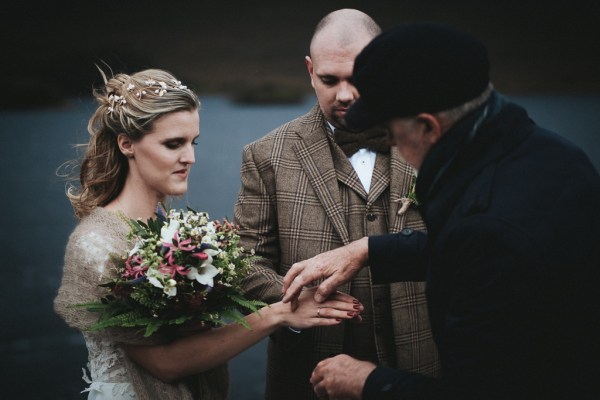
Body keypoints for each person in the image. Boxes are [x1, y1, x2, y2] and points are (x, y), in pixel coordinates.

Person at [282, 22, 600, 399]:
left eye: (392, 134)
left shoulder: (489, 228)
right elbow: (476, 256)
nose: (394, 146)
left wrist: (369, 382)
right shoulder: (555, 154)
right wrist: (367, 249)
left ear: (428, 127)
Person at [53, 68, 363, 400]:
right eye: (174, 144)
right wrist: (280, 313)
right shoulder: (96, 244)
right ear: (127, 144)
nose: (190, 158)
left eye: (192, 142)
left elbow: (194, 340)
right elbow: (164, 364)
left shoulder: (172, 229)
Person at [234, 9, 439, 400]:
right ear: (310, 71)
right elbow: (245, 264)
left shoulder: (432, 142)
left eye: (358, 78)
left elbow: (465, 247)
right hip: (306, 379)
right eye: (329, 80)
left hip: (426, 370)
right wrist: (293, 302)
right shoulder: (265, 155)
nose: (344, 94)